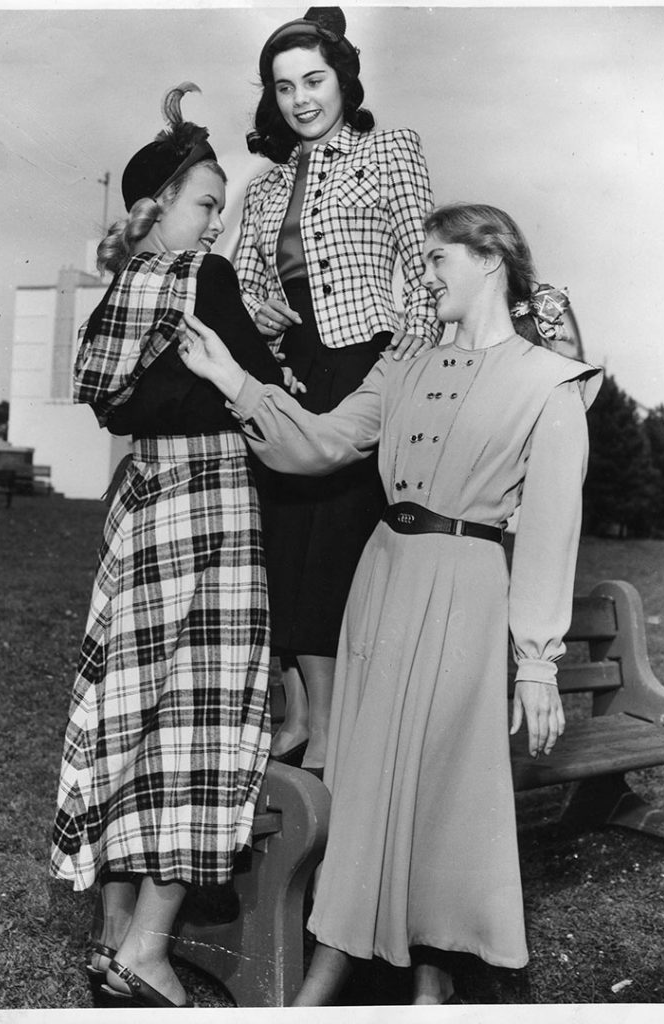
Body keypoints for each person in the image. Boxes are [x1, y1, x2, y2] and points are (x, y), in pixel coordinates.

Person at [178, 202, 603, 1005]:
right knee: (368, 777)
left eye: (437, 258)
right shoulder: (401, 366)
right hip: (381, 580)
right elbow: (319, 443)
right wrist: (232, 380)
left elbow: (551, 529)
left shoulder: (548, 382)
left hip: (467, 587)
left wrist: (537, 664)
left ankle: (428, 977)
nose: (423, 274)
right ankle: (347, 952)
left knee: (441, 781)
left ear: (488, 259)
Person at [49, 83, 289, 1010]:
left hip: (144, 507)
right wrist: (261, 356)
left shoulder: (121, 295)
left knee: (128, 715)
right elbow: (264, 391)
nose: (215, 224)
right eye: (204, 205)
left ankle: (111, 938)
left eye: (221, 211)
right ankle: (150, 948)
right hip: (215, 510)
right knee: (200, 723)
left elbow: (119, 401)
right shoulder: (207, 282)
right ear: (155, 209)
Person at [234, 6, 442, 774]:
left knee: (331, 555)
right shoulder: (262, 188)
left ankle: (331, 738)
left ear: (343, 80)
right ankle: (304, 725)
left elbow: (425, 272)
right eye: (282, 86)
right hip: (293, 381)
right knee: (284, 549)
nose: (299, 98)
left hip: (367, 366)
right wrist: (266, 344)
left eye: (312, 79)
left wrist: (401, 372)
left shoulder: (389, 150)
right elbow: (251, 296)